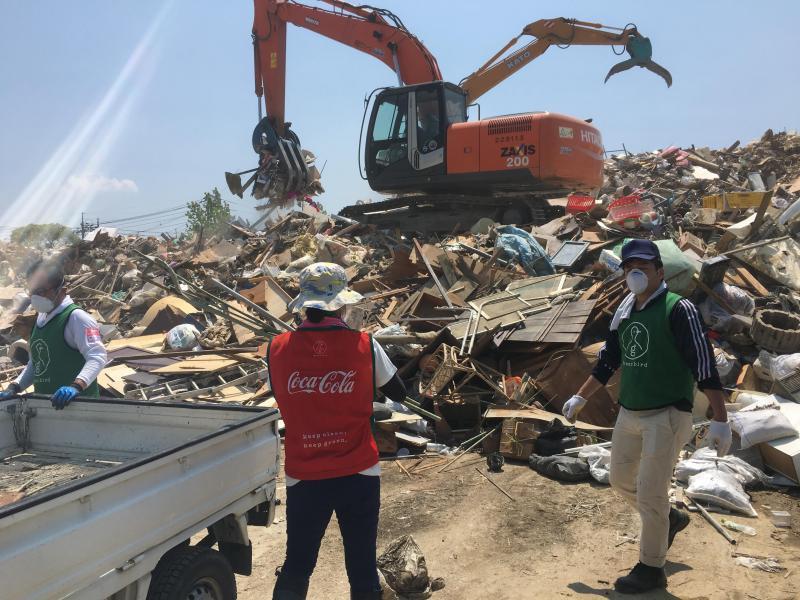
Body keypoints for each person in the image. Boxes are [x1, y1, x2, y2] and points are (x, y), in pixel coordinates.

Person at [562, 239, 732, 594]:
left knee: (651, 492)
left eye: (642, 266)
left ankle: (651, 568)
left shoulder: (678, 308)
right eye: (628, 268)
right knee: (620, 480)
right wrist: (580, 395)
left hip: (667, 413)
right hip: (630, 412)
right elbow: (609, 361)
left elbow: (704, 365)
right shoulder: (625, 310)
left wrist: (720, 417)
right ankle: (669, 519)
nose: (634, 273)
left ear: (659, 271)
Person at [268, 262, 407, 600]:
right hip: (358, 469)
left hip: (305, 474)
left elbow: (280, 393)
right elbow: (399, 393)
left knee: (297, 564)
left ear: (305, 304)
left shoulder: (277, 349)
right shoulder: (364, 344)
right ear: (342, 303)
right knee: (361, 565)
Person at [0, 259, 107, 408]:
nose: (34, 297)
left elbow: (97, 357)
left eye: (41, 291)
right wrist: (14, 387)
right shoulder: (41, 320)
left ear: (63, 289)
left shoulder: (76, 318)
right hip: (47, 410)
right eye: (32, 291)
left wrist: (76, 386)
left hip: (79, 411)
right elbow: (36, 364)